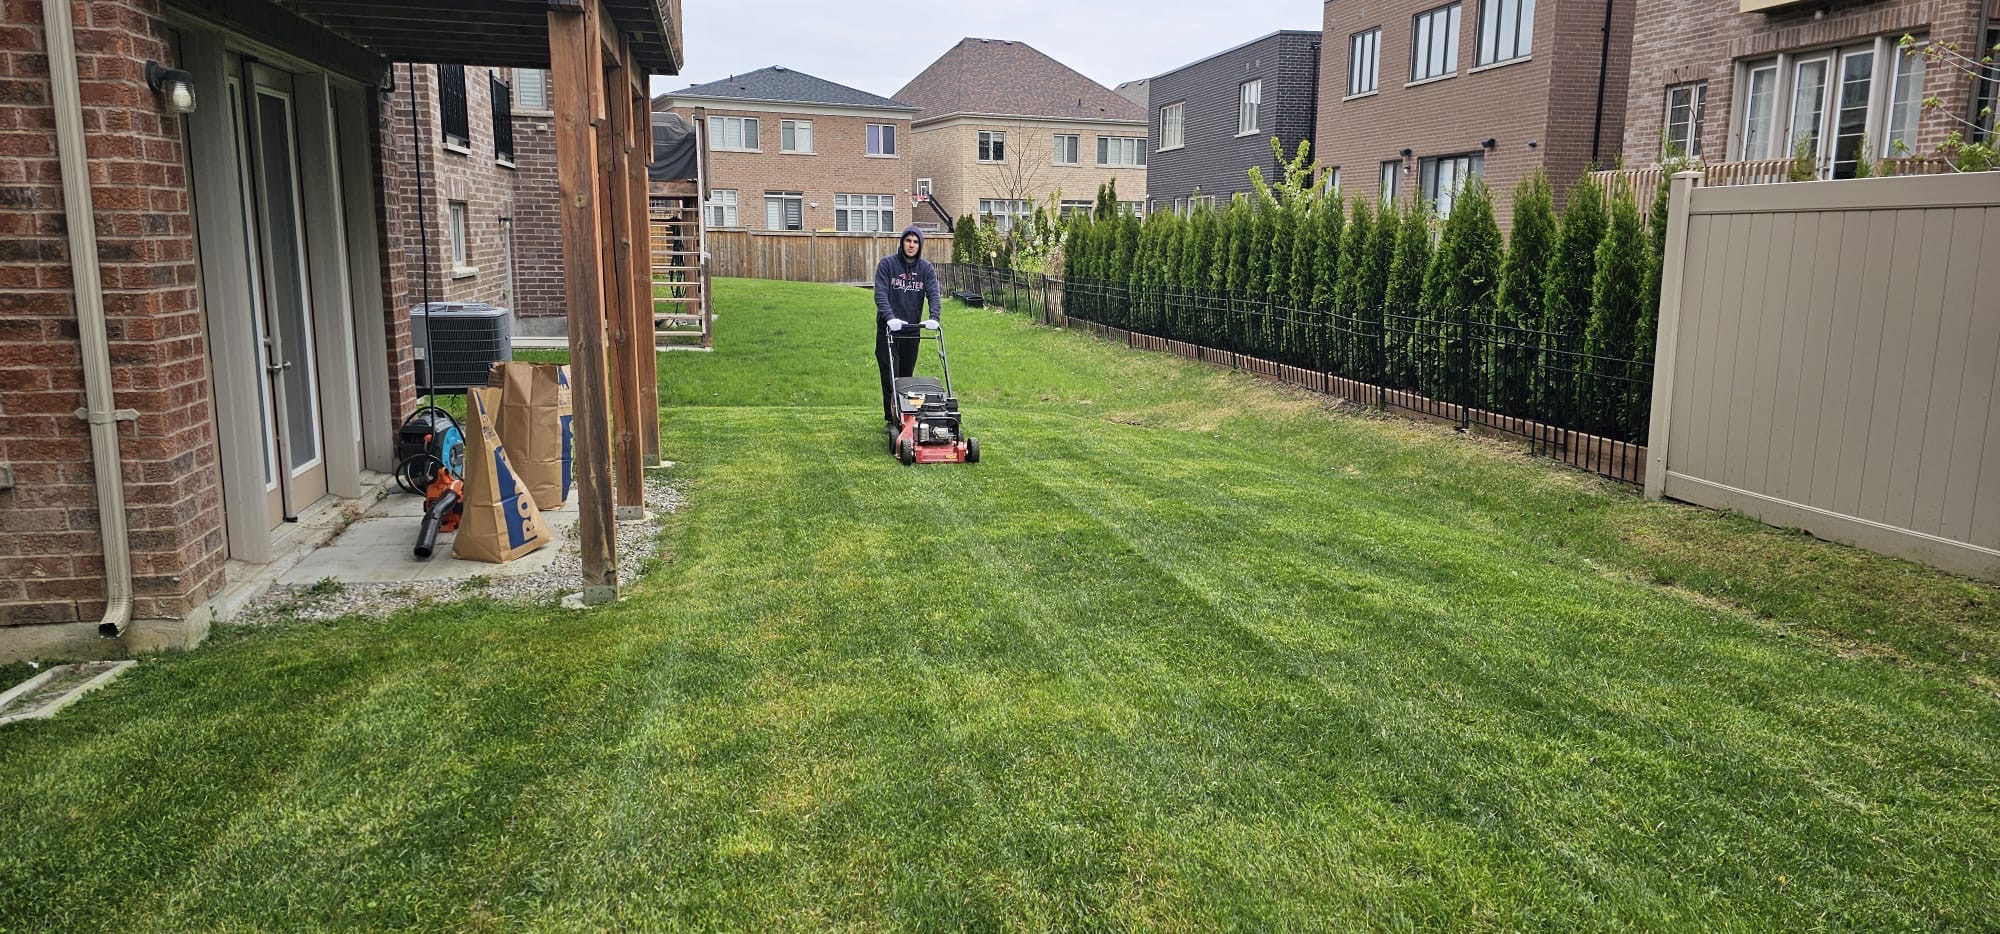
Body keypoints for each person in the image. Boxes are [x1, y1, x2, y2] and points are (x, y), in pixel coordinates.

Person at [872, 225, 941, 426]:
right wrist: (889, 317)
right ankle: (891, 418)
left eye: (915, 242)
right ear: (902, 243)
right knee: (890, 375)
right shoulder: (887, 265)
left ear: (920, 245)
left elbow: (934, 294)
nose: (911, 245)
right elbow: (880, 294)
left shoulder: (925, 269)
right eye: (908, 241)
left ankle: (905, 417)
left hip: (911, 331)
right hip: (889, 331)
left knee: (906, 378)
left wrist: (934, 317)